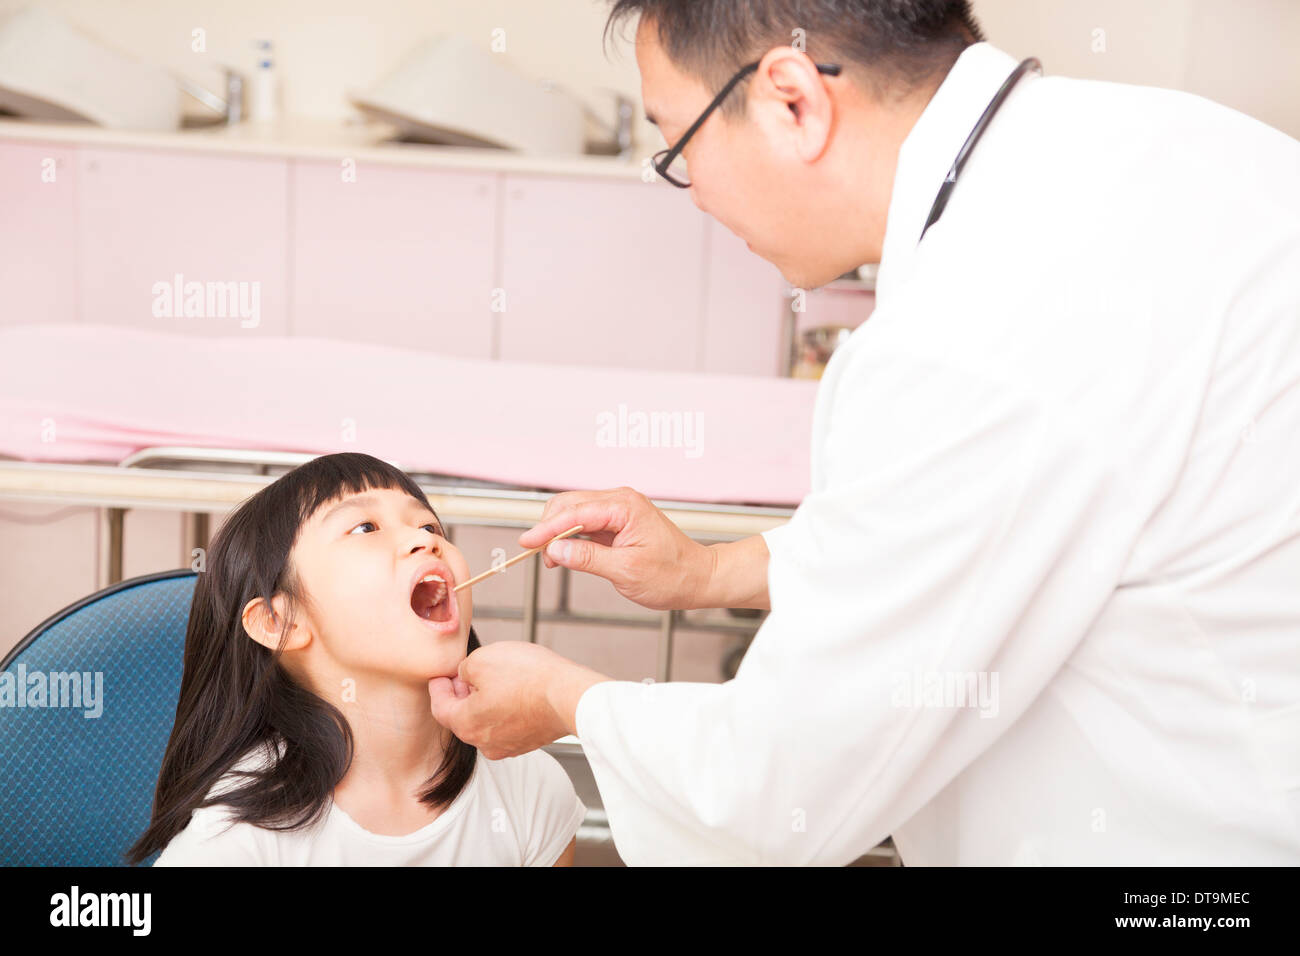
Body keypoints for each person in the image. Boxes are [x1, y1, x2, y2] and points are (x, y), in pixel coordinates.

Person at [429, 0, 1300, 865]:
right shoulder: (1177, 145)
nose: (690, 191)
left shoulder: (976, 335)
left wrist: (566, 701)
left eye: (678, 144)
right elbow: (980, 535)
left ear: (791, 100)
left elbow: (778, 788)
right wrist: (712, 569)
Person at [129, 452, 584, 866]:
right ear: (278, 622)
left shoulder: (530, 788)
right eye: (365, 528)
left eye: (429, 527)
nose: (423, 541)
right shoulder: (235, 841)